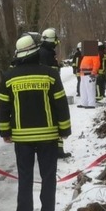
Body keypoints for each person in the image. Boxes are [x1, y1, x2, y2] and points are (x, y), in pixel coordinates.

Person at [0, 34, 71, 211]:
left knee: (25, 178)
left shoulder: (8, 77)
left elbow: (3, 108)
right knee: (48, 177)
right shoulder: (50, 74)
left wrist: (5, 131)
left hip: (22, 139)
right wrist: (64, 129)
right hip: (48, 136)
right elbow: (61, 104)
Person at [40, 27, 71, 159]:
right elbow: (51, 73)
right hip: (50, 90)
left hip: (45, 90)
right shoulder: (46, 53)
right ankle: (57, 150)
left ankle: (55, 149)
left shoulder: (43, 52)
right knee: (56, 118)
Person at [77, 42, 101, 109]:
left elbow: (96, 64)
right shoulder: (86, 55)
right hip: (83, 74)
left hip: (90, 74)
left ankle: (91, 103)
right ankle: (84, 102)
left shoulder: (94, 54)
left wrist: (94, 72)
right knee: (83, 89)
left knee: (90, 89)